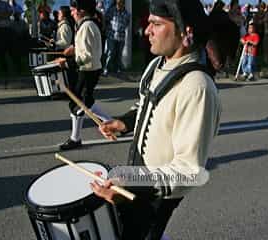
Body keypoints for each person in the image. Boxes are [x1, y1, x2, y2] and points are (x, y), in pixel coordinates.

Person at [90, 0, 222, 239]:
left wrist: (131, 187)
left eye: (156, 24)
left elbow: (188, 170)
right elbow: (146, 104)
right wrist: (124, 122)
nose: (147, 30)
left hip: (158, 192)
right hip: (138, 174)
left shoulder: (196, 87)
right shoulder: (157, 64)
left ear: (185, 32)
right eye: (148, 23)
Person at [57, 0, 103, 151]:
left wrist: (68, 62)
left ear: (81, 11)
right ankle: (113, 123)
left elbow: (88, 55)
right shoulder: (87, 25)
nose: (71, 13)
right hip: (90, 69)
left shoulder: (87, 26)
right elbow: (86, 48)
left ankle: (75, 139)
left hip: (88, 70)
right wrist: (74, 49)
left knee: (77, 104)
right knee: (85, 101)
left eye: (73, 10)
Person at [102, 0, 130, 76]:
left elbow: (127, 23)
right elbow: (106, 19)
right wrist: (106, 29)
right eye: (118, 3)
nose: (119, 4)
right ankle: (106, 69)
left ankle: (116, 69)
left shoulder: (127, 13)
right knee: (110, 53)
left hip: (121, 37)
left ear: (123, 4)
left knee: (119, 54)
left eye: (121, 3)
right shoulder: (111, 11)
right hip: (111, 35)